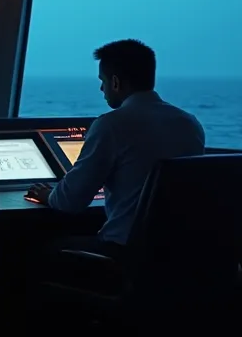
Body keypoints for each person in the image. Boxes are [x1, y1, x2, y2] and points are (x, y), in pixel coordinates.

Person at [26, 39, 205, 257]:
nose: (102, 88)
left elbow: (69, 201)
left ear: (116, 82)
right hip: (178, 254)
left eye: (103, 80)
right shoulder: (190, 123)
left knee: (33, 248)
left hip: (124, 253)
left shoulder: (112, 125)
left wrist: (47, 195)